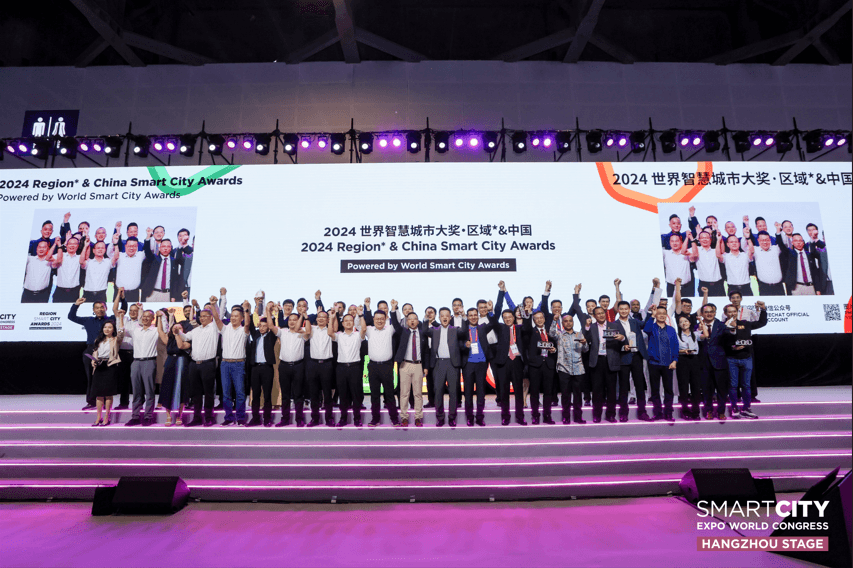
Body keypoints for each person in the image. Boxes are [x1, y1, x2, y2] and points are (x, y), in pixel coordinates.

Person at [178, 297, 223, 427]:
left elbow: (218, 316)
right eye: (200, 316)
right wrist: (178, 332)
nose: (202, 318)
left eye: (204, 316)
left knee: (208, 393)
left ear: (211, 317)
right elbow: (185, 337)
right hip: (194, 364)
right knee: (196, 393)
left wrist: (214, 305)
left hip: (208, 364)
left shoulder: (214, 328)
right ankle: (196, 418)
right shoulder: (196, 330)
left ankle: (209, 417)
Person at [68, 297, 116, 410]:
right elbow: (71, 317)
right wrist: (76, 305)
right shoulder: (88, 320)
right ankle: (91, 402)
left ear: (106, 308)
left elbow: (121, 310)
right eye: (97, 308)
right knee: (91, 377)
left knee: (105, 377)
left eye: (102, 307)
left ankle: (105, 402)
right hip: (91, 350)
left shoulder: (111, 320)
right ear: (93, 310)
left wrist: (122, 299)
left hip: (106, 351)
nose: (99, 310)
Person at [722, 301, 768, 419]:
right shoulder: (722, 326)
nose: (732, 313)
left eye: (734, 311)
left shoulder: (744, 323)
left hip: (746, 358)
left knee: (746, 386)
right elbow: (721, 341)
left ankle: (746, 408)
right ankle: (734, 408)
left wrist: (763, 310)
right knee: (733, 385)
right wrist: (732, 346)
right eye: (730, 312)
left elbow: (761, 323)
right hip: (731, 359)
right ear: (725, 313)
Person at [423, 307, 467, 427]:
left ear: (450, 317)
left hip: (452, 364)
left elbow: (464, 331)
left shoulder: (455, 329)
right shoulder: (434, 330)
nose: (444, 318)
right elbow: (424, 330)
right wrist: (426, 317)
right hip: (438, 364)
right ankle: (440, 418)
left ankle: (452, 418)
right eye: (442, 315)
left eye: (447, 315)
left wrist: (464, 316)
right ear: (439, 318)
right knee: (438, 392)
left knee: (453, 392)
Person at [117, 306, 159, 426]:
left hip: (149, 361)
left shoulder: (156, 330)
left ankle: (148, 416)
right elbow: (122, 331)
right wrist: (121, 317)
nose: (145, 318)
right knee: (136, 391)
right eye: (143, 316)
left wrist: (165, 318)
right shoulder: (135, 330)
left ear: (152, 318)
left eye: (148, 317)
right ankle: (135, 416)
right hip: (136, 362)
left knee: (149, 391)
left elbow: (166, 329)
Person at [267, 309, 309, 427]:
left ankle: (299, 419)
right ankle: (285, 419)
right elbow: (271, 326)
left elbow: (308, 331)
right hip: (284, 366)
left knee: (298, 395)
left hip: (298, 366)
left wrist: (304, 316)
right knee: (285, 395)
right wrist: (268, 311)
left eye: (295, 320)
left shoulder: (302, 332)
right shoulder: (283, 332)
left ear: (299, 321)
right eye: (290, 319)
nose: (292, 322)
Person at [360, 305, 400, 427]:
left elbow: (397, 323)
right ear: (373, 319)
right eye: (377, 318)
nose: (379, 321)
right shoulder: (369, 330)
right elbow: (361, 327)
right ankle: (375, 419)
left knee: (389, 394)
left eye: (382, 318)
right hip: (373, 367)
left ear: (386, 318)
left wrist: (394, 309)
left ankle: (394, 419)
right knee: (374, 395)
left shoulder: (389, 329)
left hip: (387, 366)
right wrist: (362, 312)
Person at [583, 306, 624, 423]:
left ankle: (611, 415)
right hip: (597, 361)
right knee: (597, 390)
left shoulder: (614, 325)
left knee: (611, 390)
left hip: (610, 360)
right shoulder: (591, 327)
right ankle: (597, 415)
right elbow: (585, 340)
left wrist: (622, 338)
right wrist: (586, 327)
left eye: (602, 313)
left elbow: (624, 340)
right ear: (594, 316)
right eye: (598, 313)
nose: (601, 315)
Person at [460, 306, 498, 426]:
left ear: (478, 316)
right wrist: (464, 345)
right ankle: (470, 417)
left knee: (481, 392)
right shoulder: (463, 330)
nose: (473, 317)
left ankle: (480, 417)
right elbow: (458, 344)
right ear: (467, 317)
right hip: (468, 364)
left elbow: (494, 323)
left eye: (475, 315)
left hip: (482, 363)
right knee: (468, 392)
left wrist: (490, 311)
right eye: (470, 315)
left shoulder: (482, 328)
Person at [392, 309, 430, 428]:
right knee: (404, 393)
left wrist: (426, 367)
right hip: (404, 365)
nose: (412, 321)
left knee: (418, 393)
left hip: (418, 365)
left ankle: (418, 417)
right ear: (407, 322)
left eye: (414, 319)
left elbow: (426, 352)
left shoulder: (423, 333)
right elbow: (395, 324)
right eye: (410, 319)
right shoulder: (403, 332)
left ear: (418, 321)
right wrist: (393, 310)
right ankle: (404, 417)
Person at [614, 300, 650, 421]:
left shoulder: (634, 321)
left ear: (629, 310)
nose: (624, 311)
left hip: (636, 357)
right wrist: (622, 346)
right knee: (624, 387)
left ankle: (642, 412)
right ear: (618, 310)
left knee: (640, 386)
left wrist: (650, 313)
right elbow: (612, 343)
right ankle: (623, 413)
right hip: (623, 357)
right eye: (622, 309)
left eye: (626, 309)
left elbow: (645, 324)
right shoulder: (614, 324)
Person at [549, 313, 588, 424]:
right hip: (564, 368)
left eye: (570, 321)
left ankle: (578, 417)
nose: (568, 323)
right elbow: (551, 333)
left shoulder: (579, 334)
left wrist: (585, 343)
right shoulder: (559, 334)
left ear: (573, 322)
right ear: (562, 323)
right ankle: (566, 417)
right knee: (565, 394)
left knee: (578, 394)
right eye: (566, 321)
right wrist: (554, 320)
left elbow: (585, 350)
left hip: (578, 368)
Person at [155, 310, 192, 426]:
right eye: (174, 327)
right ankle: (168, 416)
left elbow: (180, 346)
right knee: (167, 388)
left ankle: (180, 415)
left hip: (182, 363)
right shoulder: (169, 340)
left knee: (181, 389)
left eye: (179, 327)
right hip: (170, 363)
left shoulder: (187, 341)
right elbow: (160, 331)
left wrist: (177, 334)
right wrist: (159, 318)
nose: (176, 329)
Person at [643, 305, 680, 421]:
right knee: (655, 390)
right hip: (654, 363)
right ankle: (657, 413)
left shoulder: (671, 329)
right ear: (656, 315)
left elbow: (675, 345)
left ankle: (668, 413)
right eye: (659, 313)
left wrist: (675, 360)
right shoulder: (652, 327)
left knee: (668, 389)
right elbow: (646, 329)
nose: (662, 315)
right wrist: (652, 316)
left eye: (664, 313)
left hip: (668, 363)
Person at [521, 311, 558, 424]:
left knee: (548, 392)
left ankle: (547, 416)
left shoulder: (550, 332)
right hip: (535, 365)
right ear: (533, 320)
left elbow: (556, 344)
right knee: (534, 392)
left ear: (544, 318)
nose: (539, 320)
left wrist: (554, 350)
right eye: (536, 318)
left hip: (549, 364)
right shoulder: (530, 332)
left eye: (541, 317)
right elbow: (526, 327)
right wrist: (526, 314)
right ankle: (535, 416)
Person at [218, 302, 251, 426]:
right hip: (225, 364)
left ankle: (240, 418)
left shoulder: (243, 330)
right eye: (232, 315)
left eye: (236, 316)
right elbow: (216, 319)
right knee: (226, 394)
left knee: (240, 393)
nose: (233, 318)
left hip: (238, 364)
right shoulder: (225, 329)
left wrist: (246, 310)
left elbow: (247, 324)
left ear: (241, 318)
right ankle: (229, 417)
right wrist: (214, 305)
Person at [329, 312, 364, 427]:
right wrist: (331, 318)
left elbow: (364, 329)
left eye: (350, 320)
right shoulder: (339, 335)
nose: (348, 322)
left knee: (356, 395)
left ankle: (357, 419)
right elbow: (330, 333)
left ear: (353, 323)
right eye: (346, 321)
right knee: (343, 395)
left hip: (355, 367)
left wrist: (361, 315)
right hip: (341, 368)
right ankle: (343, 418)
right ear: (342, 323)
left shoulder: (358, 335)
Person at [246, 305, 278, 427]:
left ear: (268, 327)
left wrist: (269, 311)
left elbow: (272, 324)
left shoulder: (271, 336)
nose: (262, 328)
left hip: (267, 368)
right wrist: (248, 311)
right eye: (260, 326)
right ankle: (255, 418)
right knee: (255, 395)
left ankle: (267, 419)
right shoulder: (255, 335)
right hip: (255, 368)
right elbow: (250, 325)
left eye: (265, 326)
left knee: (267, 394)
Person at [305, 309, 337, 427]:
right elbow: (306, 331)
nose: (321, 319)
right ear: (316, 319)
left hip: (326, 364)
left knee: (327, 393)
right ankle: (315, 419)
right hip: (313, 364)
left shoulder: (330, 330)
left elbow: (334, 329)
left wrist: (332, 317)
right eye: (319, 317)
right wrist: (305, 316)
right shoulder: (312, 329)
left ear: (327, 319)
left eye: (324, 317)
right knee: (314, 393)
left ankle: (329, 418)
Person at [697, 303, 729, 421]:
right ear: (702, 314)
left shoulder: (722, 326)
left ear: (715, 313)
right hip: (704, 362)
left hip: (719, 361)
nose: (709, 314)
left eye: (711, 311)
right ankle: (708, 411)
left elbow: (729, 338)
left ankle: (721, 412)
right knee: (706, 390)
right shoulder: (696, 326)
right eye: (706, 312)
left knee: (722, 389)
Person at [88, 320, 123, 426]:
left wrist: (121, 317)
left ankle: (107, 417)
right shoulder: (98, 340)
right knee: (98, 394)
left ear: (113, 329)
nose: (107, 329)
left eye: (109, 327)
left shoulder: (116, 339)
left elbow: (121, 332)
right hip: (99, 366)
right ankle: (98, 417)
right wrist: (93, 361)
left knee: (108, 394)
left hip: (110, 366)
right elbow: (95, 353)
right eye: (105, 327)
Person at [776, 224, 824, 296]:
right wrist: (778, 231)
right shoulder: (790, 254)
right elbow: (781, 245)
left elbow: (815, 273)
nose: (798, 242)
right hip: (796, 288)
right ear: (792, 243)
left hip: (810, 287)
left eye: (800, 241)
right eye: (795, 241)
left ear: (803, 242)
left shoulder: (809, 255)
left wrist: (818, 289)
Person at [675, 315, 703, 420]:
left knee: (696, 387)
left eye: (686, 321)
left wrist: (701, 321)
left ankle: (696, 412)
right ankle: (685, 411)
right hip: (682, 360)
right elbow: (674, 349)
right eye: (681, 322)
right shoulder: (677, 335)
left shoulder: (695, 334)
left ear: (690, 323)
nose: (684, 323)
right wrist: (683, 351)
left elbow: (706, 335)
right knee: (684, 387)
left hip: (695, 360)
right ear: (678, 325)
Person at [110, 235, 145, 303]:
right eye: (129, 246)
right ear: (125, 246)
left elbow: (151, 250)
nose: (131, 248)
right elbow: (109, 253)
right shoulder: (119, 255)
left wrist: (149, 236)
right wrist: (114, 243)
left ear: (137, 246)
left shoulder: (141, 255)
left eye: (134, 246)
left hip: (134, 293)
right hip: (119, 292)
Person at [22, 238, 58, 303]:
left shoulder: (50, 261)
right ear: (36, 249)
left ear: (48, 249)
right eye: (39, 247)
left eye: (44, 247)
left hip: (42, 295)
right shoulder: (30, 259)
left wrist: (55, 244)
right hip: (27, 294)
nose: (41, 249)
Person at [716, 233, 752, 297]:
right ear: (728, 244)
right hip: (732, 287)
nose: (734, 243)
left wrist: (748, 238)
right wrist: (718, 240)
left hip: (746, 287)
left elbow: (752, 251)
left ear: (739, 244)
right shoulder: (726, 256)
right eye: (731, 242)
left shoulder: (745, 255)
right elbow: (718, 255)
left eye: (736, 242)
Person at [750, 231, 784, 296]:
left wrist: (778, 231)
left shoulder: (776, 249)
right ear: (758, 240)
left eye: (767, 240)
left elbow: (784, 244)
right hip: (764, 287)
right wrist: (747, 237)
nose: (765, 242)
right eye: (762, 240)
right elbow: (744, 246)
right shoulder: (755, 250)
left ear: (770, 240)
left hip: (779, 286)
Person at [693, 230, 725, 297]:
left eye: (707, 238)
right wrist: (692, 239)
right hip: (704, 285)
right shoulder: (696, 250)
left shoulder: (715, 251)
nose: (705, 240)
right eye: (702, 238)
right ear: (699, 239)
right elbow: (684, 251)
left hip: (718, 285)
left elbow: (722, 252)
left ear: (710, 239)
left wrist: (719, 240)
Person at [51, 236, 82, 303]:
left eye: (75, 244)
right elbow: (48, 258)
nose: (72, 245)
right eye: (70, 243)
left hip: (74, 292)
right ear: (66, 245)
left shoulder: (80, 258)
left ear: (78, 246)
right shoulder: (60, 255)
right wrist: (57, 244)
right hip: (60, 291)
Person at [805, 223, 832, 295]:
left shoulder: (823, 243)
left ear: (817, 231)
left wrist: (815, 239)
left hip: (827, 275)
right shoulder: (806, 245)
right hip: (816, 276)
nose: (812, 232)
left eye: (813, 230)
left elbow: (822, 246)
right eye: (809, 230)